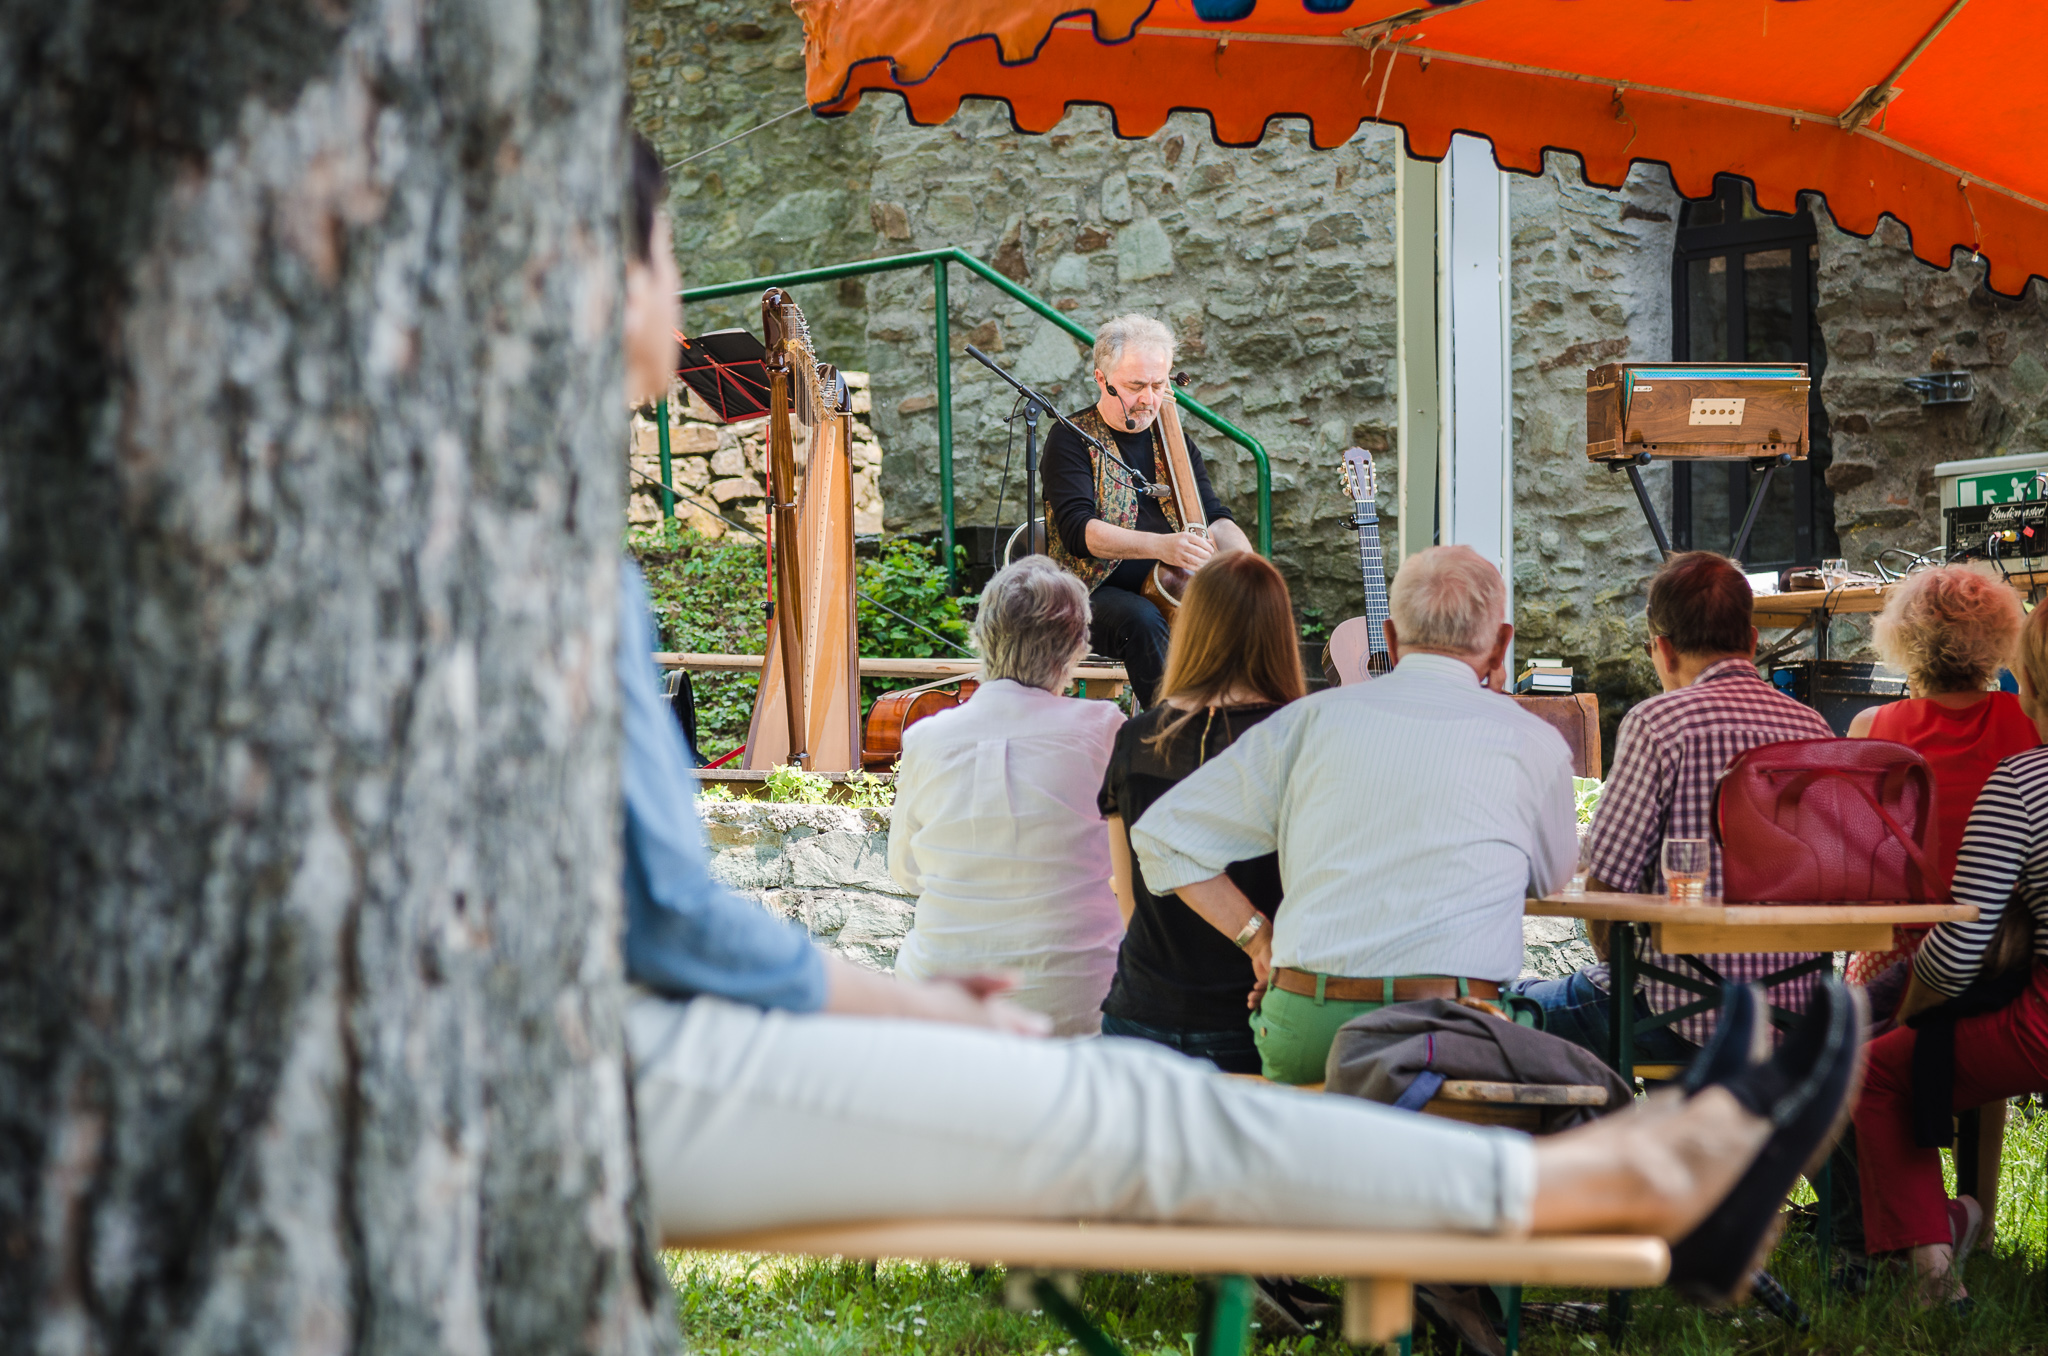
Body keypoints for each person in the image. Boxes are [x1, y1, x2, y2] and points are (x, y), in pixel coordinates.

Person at [617, 133, 1861, 1310]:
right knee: (1155, 1063)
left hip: (1170, 985)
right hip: (1118, 609)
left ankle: (1603, 1194)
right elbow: (1084, 541)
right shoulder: (1084, 467)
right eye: (667, 274)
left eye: (1155, 383)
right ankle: (1607, 1192)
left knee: (1151, 1097)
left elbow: (668, 913)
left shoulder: (1201, 556)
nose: (677, 326)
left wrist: (1208, 542)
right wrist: (914, 1009)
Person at [1127, 545, 1580, 1085]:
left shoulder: (1310, 720)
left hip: (1311, 1025)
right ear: (1502, 642)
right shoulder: (1534, 740)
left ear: (1388, 638)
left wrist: (1259, 938)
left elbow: (1163, 838)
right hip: (1455, 1026)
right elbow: (1550, 879)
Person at [1509, 552, 1835, 1064]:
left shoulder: (1659, 724)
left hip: (1677, 1019)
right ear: (1752, 642)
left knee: (1501, 1003)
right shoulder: (1814, 730)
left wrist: (1618, 969)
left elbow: (1606, 887)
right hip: (1791, 1022)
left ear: (1661, 649)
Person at [1852, 599, 2048, 1306]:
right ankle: (1980, 1214)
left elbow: (1944, 940)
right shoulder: (2019, 731)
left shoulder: (1878, 728)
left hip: (1943, 952)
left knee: (1873, 1052)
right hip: (2016, 957)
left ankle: (1921, 1252)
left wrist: (1916, 1002)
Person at [888, 556, 1126, 1037]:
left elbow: (907, 873)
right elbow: (1132, 865)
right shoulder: (1104, 728)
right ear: (1076, 647)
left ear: (983, 635)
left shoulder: (926, 738)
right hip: (1078, 1000)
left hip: (946, 997)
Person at [1098, 551, 1306, 1072]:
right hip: (1257, 1012)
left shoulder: (1138, 738)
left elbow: (1127, 890)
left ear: (1191, 624)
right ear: (1278, 630)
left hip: (1140, 1013)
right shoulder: (1299, 737)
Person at [1041, 315, 1254, 707]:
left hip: (1175, 588)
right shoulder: (1071, 439)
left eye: (1159, 385)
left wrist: (1248, 564)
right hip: (1090, 593)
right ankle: (1173, 736)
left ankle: (1244, 729)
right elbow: (1078, 531)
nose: (1149, 399)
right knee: (1142, 620)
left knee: (1250, 606)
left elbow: (1214, 515)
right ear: (1102, 379)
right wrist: (1162, 546)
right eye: (1136, 386)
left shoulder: (1174, 440)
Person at [1845, 565, 2036, 999]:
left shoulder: (1870, 727)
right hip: (2007, 952)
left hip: (1899, 948)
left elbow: (1853, 860)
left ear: (1902, 638)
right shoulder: (2030, 720)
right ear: (2001, 636)